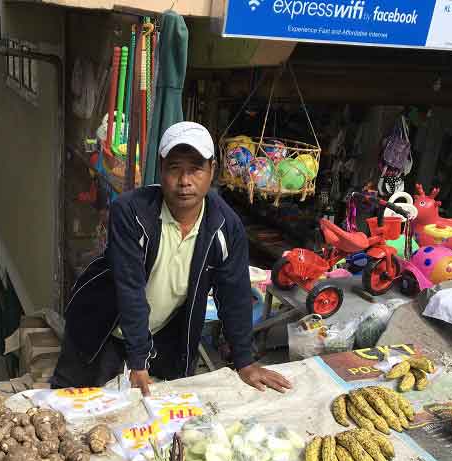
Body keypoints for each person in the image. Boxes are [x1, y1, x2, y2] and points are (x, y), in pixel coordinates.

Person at [51, 121, 291, 395]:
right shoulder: (131, 212)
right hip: (101, 324)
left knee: (155, 412)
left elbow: (234, 295)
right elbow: (130, 288)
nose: (185, 181)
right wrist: (137, 361)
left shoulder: (226, 226)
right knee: (70, 401)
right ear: (161, 168)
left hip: (163, 330)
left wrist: (245, 362)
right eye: (175, 168)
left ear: (212, 171)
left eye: (195, 169)